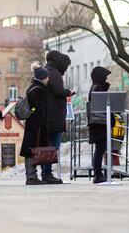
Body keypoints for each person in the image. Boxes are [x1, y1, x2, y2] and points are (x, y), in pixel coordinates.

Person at [42, 50, 75, 184]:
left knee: (48, 146)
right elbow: (58, 91)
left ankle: (46, 173)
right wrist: (69, 92)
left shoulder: (45, 70)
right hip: (54, 116)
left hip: (48, 115)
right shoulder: (54, 73)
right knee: (53, 146)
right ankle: (47, 174)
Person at [20, 66, 50, 185]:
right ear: (43, 78)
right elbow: (39, 108)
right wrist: (43, 123)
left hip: (32, 123)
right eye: (47, 77)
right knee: (33, 149)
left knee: (31, 148)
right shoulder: (39, 89)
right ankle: (31, 176)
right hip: (37, 124)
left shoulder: (33, 87)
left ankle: (31, 175)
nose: (48, 79)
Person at [87, 66, 112, 184]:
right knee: (100, 149)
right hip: (100, 123)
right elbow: (102, 105)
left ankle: (98, 174)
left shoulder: (95, 87)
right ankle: (98, 174)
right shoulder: (97, 88)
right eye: (105, 77)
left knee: (100, 149)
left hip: (98, 124)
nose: (106, 79)